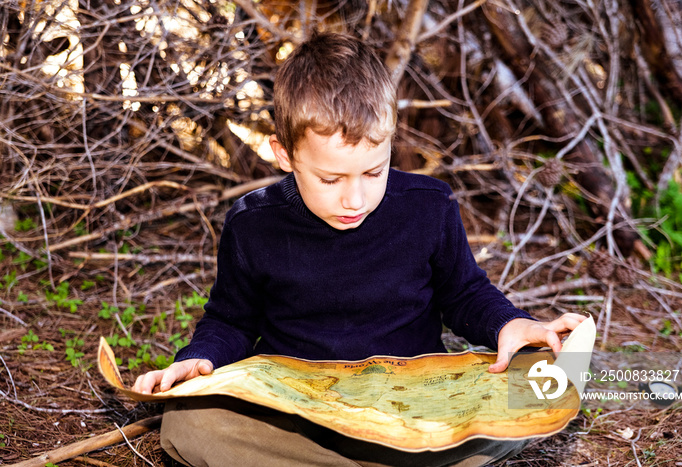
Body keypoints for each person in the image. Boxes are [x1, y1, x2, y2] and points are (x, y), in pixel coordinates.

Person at [133, 32, 585, 466]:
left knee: (539, 380)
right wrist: (199, 359)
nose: (355, 199)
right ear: (284, 154)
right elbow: (231, 320)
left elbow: (465, 294)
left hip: (414, 410)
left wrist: (509, 324)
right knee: (188, 423)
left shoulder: (429, 207)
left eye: (374, 172)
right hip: (299, 413)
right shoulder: (254, 224)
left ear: (391, 143)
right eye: (330, 180)